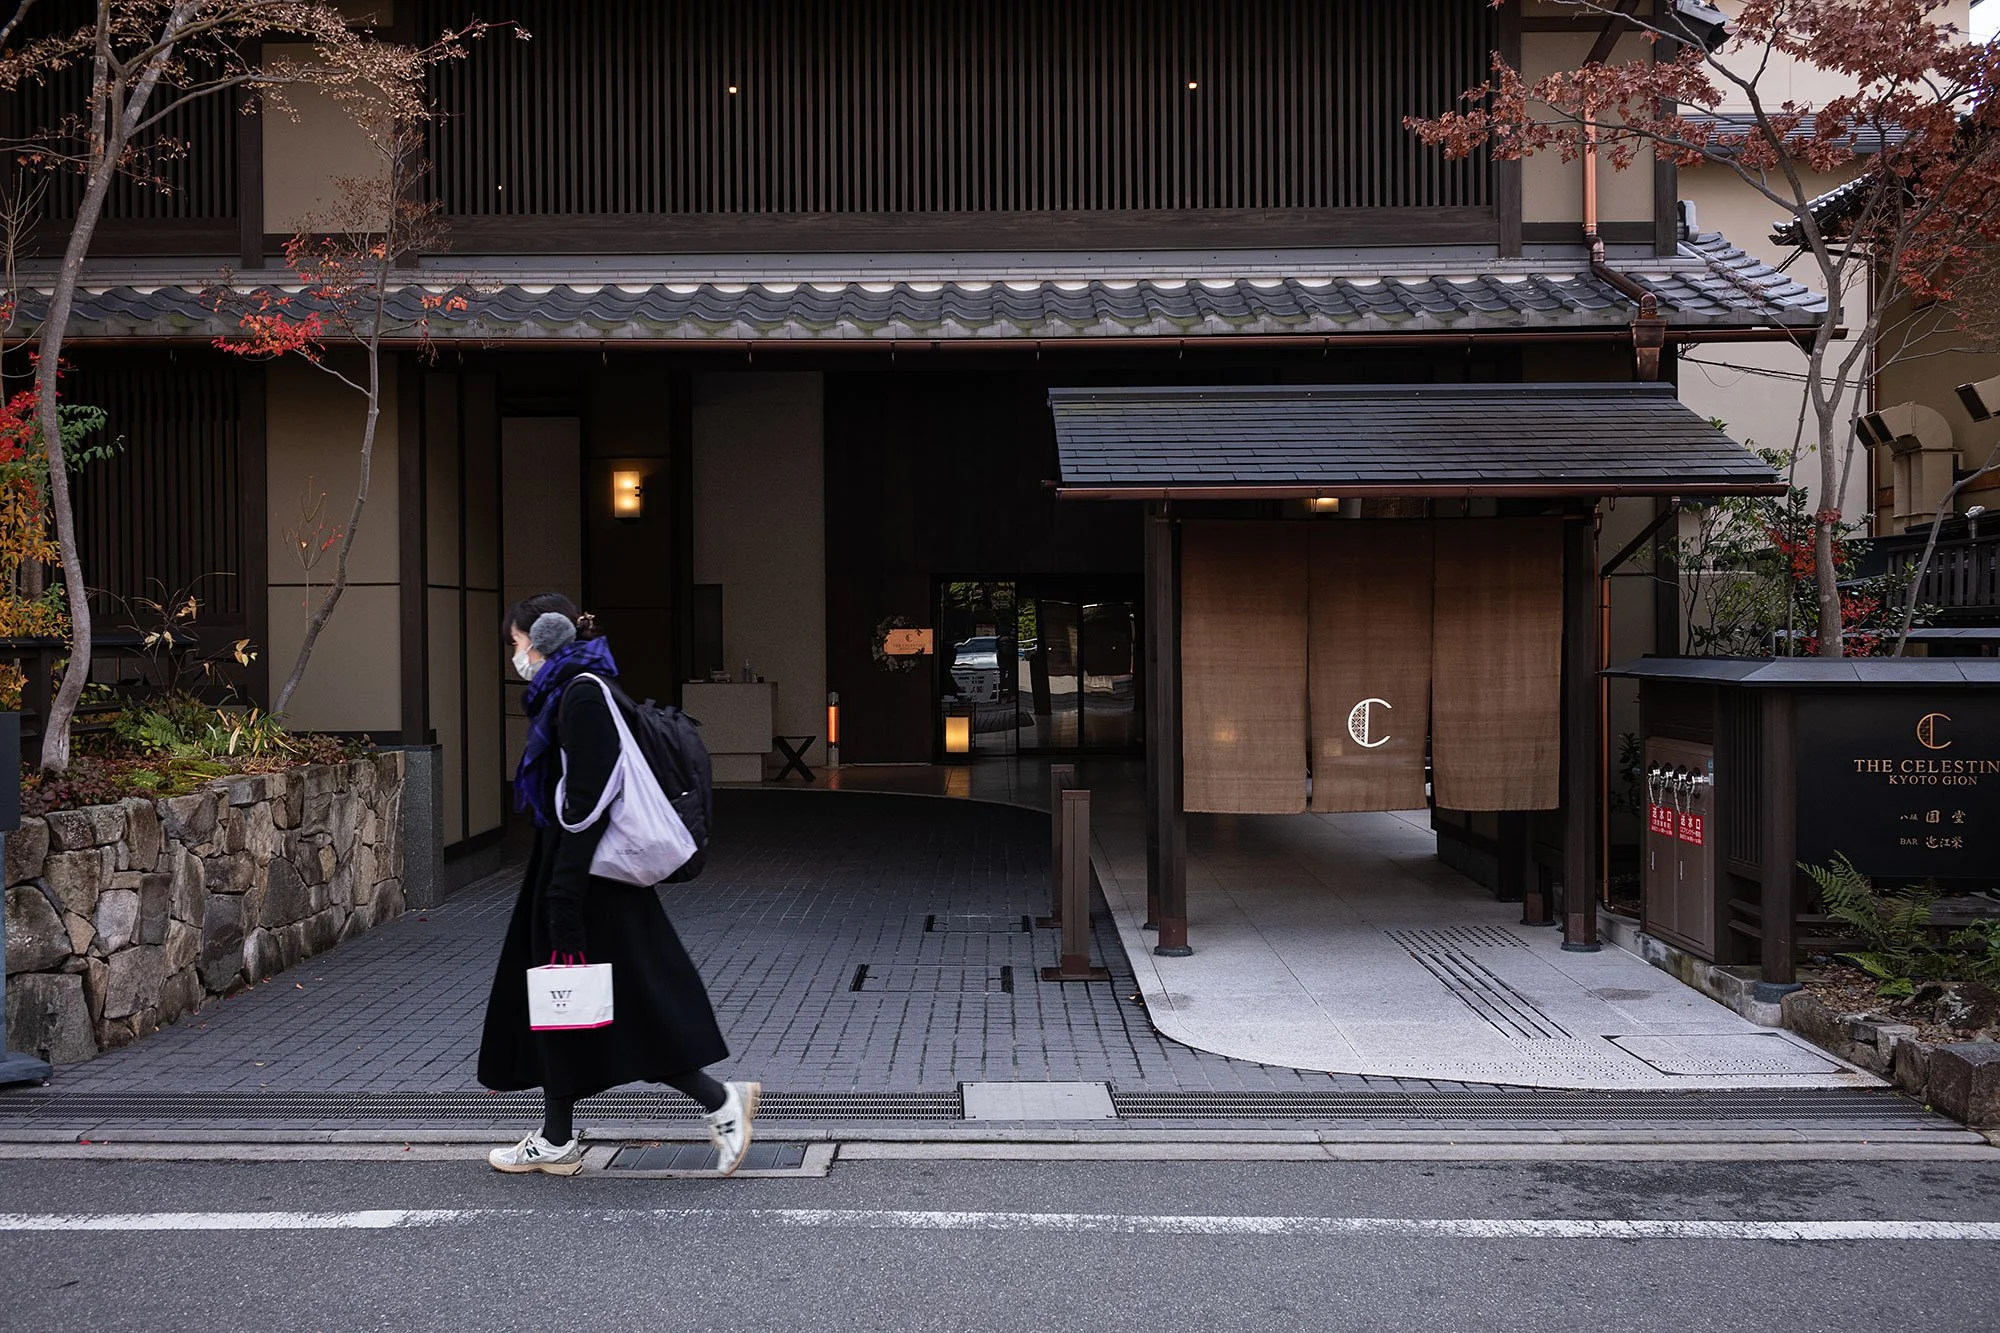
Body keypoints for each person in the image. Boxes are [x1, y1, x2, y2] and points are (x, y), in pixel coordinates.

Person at [478, 593, 756, 1175]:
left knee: (623, 1008)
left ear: (544, 637)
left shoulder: (580, 693)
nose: (516, 655)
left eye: (516, 643)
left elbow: (587, 800)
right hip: (577, 873)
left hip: (585, 877)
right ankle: (557, 1138)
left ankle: (721, 1102)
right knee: (567, 1008)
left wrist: (563, 893)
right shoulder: (574, 687)